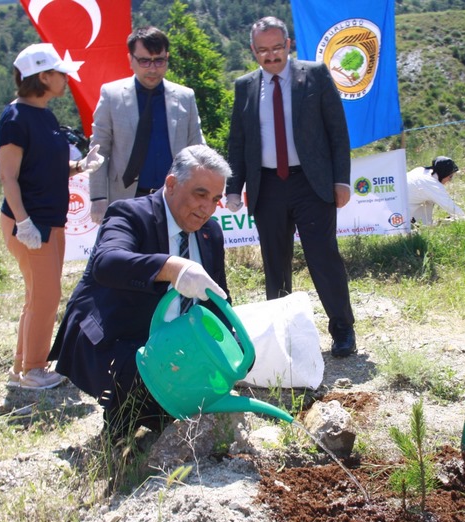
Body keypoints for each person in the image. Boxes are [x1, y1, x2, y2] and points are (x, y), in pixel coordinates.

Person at [48, 145, 231, 440]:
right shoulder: (130, 214)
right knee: (143, 379)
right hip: (116, 335)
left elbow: (220, 300)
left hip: (176, 342)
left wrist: (233, 347)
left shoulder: (210, 233)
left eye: (215, 199)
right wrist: (172, 267)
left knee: (194, 409)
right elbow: (106, 263)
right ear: (171, 184)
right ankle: (117, 439)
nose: (207, 208)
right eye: (200, 194)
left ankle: (158, 421)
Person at [225, 16, 357, 358]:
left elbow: (337, 132)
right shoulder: (245, 86)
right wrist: (232, 187)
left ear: (289, 45)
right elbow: (237, 142)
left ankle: (342, 329)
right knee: (275, 263)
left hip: (311, 183)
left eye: (277, 48)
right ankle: (282, 333)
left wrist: (341, 180)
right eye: (263, 50)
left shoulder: (315, 75)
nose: (271, 56)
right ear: (253, 51)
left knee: (323, 257)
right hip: (266, 186)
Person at [0, 43, 103, 390]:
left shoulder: (44, 114)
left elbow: (45, 167)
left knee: (37, 295)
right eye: (59, 73)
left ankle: (21, 368)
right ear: (42, 77)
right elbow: (8, 176)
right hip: (31, 221)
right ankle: (34, 369)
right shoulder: (15, 118)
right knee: (45, 295)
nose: (65, 78)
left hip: (48, 220)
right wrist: (23, 221)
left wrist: (80, 166)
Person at [88, 26, 205, 224]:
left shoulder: (185, 97)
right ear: (130, 60)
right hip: (126, 200)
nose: (152, 69)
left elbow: (198, 149)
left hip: (175, 200)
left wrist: (202, 192)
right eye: (144, 61)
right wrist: (98, 198)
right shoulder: (111, 95)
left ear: (167, 58)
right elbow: (99, 150)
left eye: (159, 60)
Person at [406, 156, 465, 225]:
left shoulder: (420, 170)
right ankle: (423, 225)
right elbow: (450, 206)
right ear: (444, 173)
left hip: (397, 204)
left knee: (429, 201)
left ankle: (424, 224)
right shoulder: (432, 183)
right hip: (399, 215)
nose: (450, 180)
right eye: (450, 176)